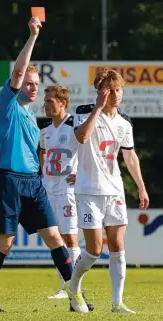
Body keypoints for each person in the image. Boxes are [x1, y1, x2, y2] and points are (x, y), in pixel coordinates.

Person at [0, 18, 73, 312]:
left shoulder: (31, 117)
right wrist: (32, 36)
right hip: (9, 181)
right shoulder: (8, 104)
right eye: (28, 83)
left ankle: (75, 296)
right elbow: (18, 70)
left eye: (36, 85)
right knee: (5, 243)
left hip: (33, 182)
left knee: (54, 237)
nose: (32, 88)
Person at [67, 68, 149, 314]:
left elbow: (130, 156)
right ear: (99, 91)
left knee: (117, 244)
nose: (114, 94)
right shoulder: (83, 112)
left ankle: (117, 302)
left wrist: (141, 188)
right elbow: (82, 137)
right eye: (109, 89)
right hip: (89, 190)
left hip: (115, 191)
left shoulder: (125, 122)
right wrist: (98, 109)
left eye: (118, 89)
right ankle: (73, 287)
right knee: (94, 250)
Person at [39, 85, 93, 311]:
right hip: (48, 189)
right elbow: (43, 152)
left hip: (67, 191)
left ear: (62, 103)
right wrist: (43, 174)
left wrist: (80, 173)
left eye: (50, 100)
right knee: (56, 240)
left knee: (70, 239)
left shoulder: (75, 125)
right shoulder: (45, 129)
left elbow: (89, 151)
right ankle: (66, 285)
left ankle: (72, 286)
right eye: (45, 100)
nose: (46, 104)